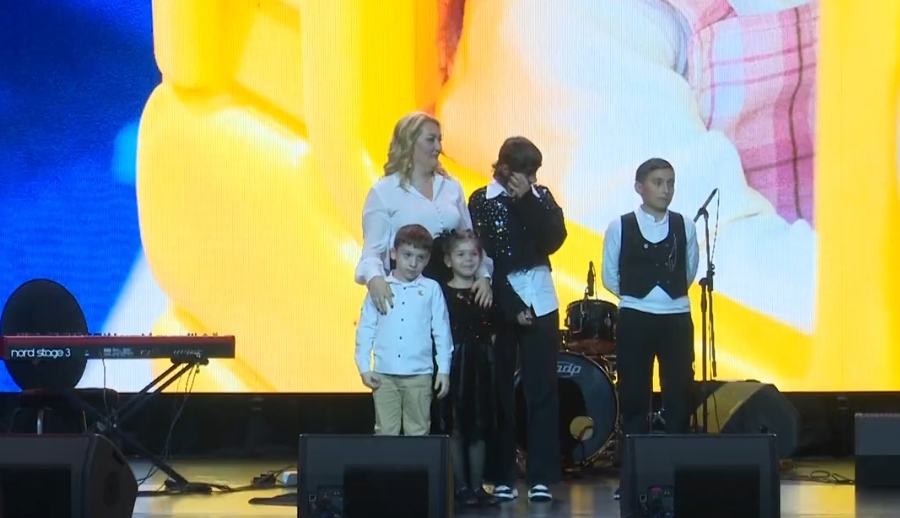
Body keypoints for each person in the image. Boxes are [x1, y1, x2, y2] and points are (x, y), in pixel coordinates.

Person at [468, 137, 568, 503]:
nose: (533, 178)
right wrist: (511, 307)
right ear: (505, 168)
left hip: (540, 299)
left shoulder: (541, 198)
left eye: (536, 172)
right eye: (527, 172)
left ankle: (541, 476)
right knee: (501, 394)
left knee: (541, 392)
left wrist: (527, 199)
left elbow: (553, 239)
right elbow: (483, 256)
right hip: (500, 301)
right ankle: (503, 475)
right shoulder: (481, 200)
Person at [600, 158, 700, 499]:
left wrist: (668, 298)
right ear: (639, 187)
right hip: (635, 318)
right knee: (634, 397)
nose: (666, 189)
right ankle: (632, 477)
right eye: (658, 182)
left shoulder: (686, 225)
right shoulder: (620, 226)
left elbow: (688, 270)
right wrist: (637, 297)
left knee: (678, 396)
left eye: (670, 182)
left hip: (676, 319)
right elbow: (610, 275)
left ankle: (676, 475)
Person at [355, 111, 493, 314]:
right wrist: (375, 280)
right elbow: (372, 253)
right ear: (410, 143)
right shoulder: (384, 192)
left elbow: (469, 239)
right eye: (430, 140)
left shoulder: (451, 186)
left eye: (439, 140)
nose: (438, 147)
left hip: (456, 295)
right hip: (410, 297)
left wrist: (483, 276)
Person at [355, 224, 453, 436]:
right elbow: (366, 328)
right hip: (384, 374)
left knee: (418, 431)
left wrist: (444, 370)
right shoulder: (380, 288)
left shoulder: (431, 289)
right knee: (385, 432)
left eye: (420, 258)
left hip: (419, 375)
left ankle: (417, 461)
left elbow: (442, 332)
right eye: (407, 255)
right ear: (393, 253)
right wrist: (364, 367)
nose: (413, 263)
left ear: (428, 259)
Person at [437, 230, 501, 508]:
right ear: (448, 260)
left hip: (481, 366)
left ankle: (477, 486)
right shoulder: (441, 292)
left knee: (479, 427)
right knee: (455, 426)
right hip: (454, 364)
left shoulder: (485, 292)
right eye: (460, 254)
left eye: (473, 254)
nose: (467, 259)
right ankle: (460, 486)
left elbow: (494, 329)